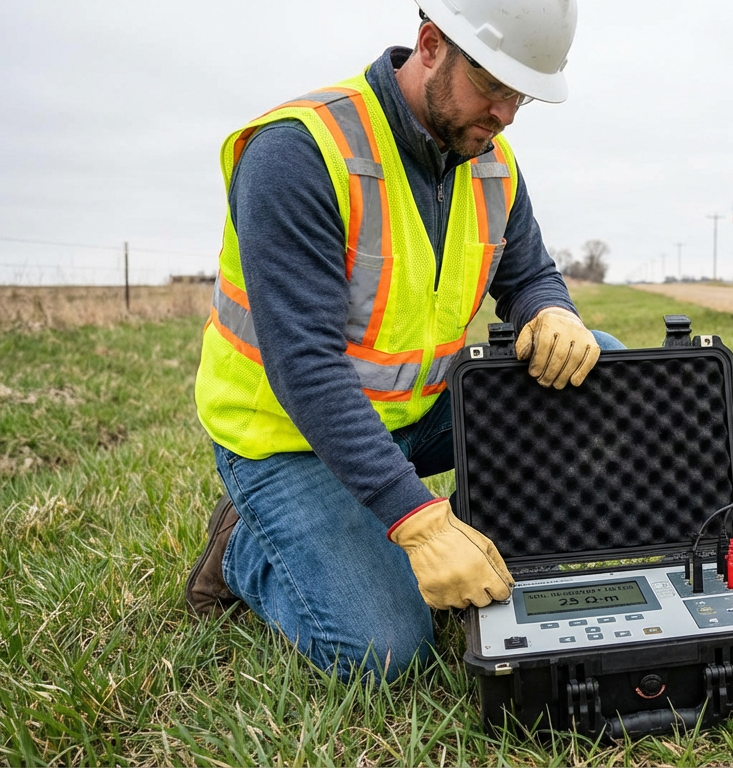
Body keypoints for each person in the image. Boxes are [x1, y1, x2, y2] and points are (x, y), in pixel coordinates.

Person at [185, 0, 614, 682]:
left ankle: (475, 534)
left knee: (601, 358)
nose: (506, 114)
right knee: (385, 651)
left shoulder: (490, 159)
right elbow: (306, 367)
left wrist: (551, 309)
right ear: (431, 45)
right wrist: (417, 519)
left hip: (418, 415)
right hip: (290, 437)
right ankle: (245, 546)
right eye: (493, 85)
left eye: (522, 96)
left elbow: (530, 274)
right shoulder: (298, 153)